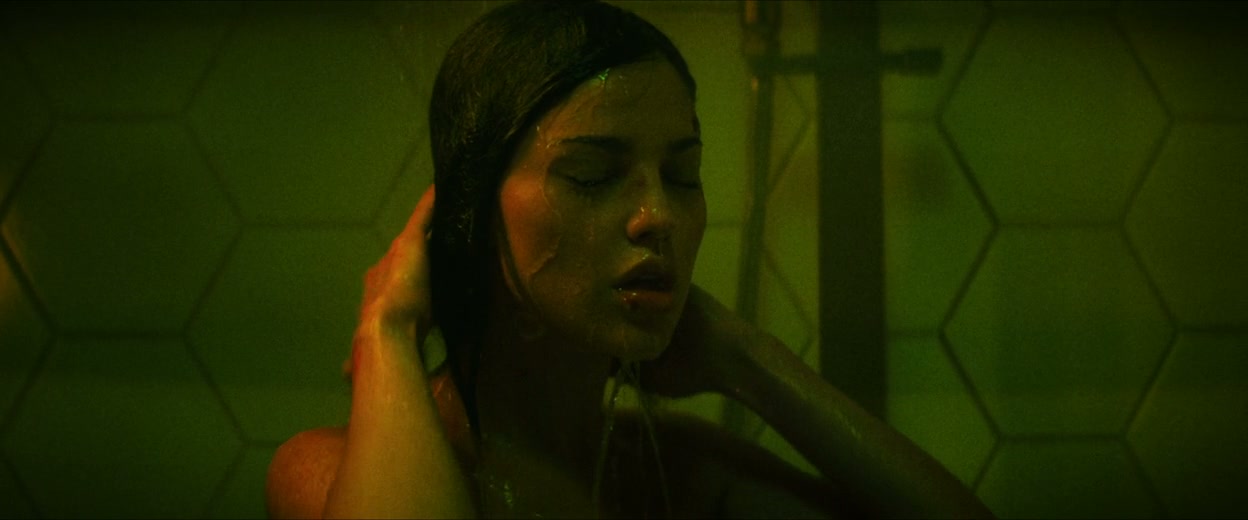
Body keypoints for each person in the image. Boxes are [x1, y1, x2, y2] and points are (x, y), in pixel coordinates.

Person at [266, 1, 995, 518]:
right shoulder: (325, 472)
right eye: (591, 176)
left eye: (682, 175)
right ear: (474, 215)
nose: (660, 217)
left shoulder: (671, 474)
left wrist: (748, 362)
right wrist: (387, 329)